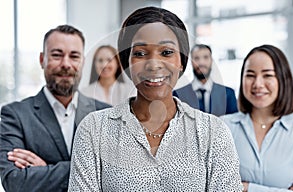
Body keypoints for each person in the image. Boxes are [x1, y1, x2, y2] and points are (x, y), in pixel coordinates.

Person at [68, 6, 242, 191]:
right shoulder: (94, 130)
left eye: (166, 52)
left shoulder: (213, 132)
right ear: (127, 63)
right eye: (140, 53)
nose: (153, 64)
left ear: (182, 62)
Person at [0, 25, 111, 192]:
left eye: (74, 56)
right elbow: (14, 181)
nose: (66, 64)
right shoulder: (15, 115)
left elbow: (117, 176)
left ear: (82, 63)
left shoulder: (106, 114)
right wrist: (90, 169)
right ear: (42, 60)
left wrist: (45, 170)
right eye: (57, 55)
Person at [221, 44, 293, 192]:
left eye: (268, 75)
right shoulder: (222, 127)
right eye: (250, 75)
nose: (257, 84)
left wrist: (246, 187)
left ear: (283, 80)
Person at [173, 44, 238, 116]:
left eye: (206, 57)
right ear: (191, 62)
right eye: (196, 58)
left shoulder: (228, 94)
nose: (201, 63)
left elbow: (233, 125)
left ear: (212, 60)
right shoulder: (178, 95)